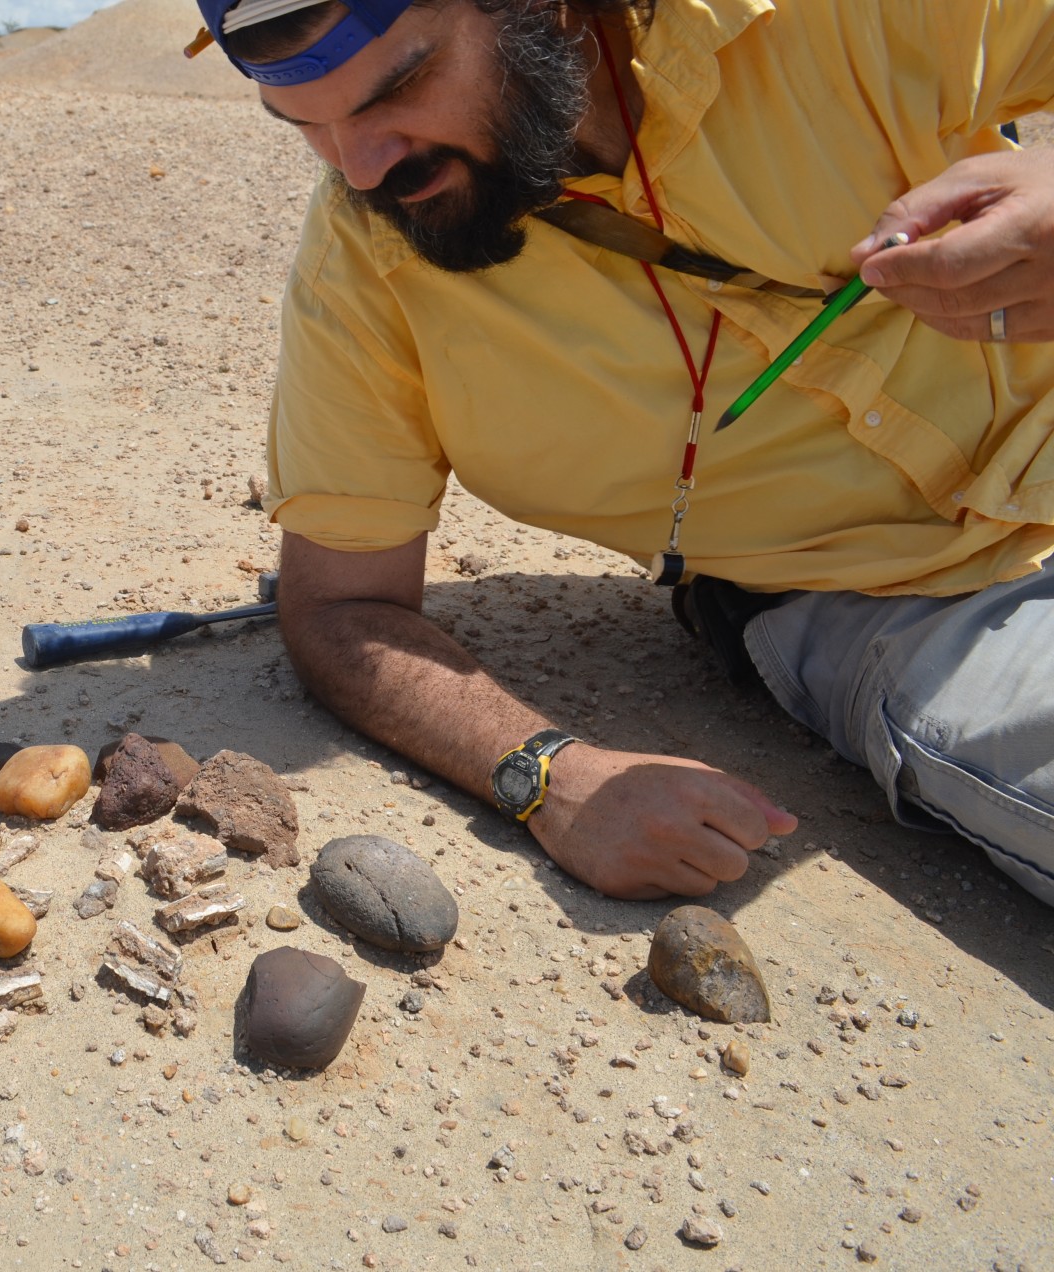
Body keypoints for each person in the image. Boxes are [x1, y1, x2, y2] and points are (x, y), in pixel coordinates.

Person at [184, 0, 1054, 904]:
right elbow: (340, 606)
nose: (362, 169)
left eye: (401, 86)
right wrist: (547, 775)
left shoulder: (819, 19)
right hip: (905, 604)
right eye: (304, 125)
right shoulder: (364, 264)